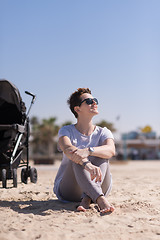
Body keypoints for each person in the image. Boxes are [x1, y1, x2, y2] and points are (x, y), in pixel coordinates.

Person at [53, 88, 115, 214]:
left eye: (95, 100)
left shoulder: (104, 132)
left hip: (101, 184)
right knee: (76, 156)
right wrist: (87, 164)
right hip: (70, 190)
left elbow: (111, 150)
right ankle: (100, 199)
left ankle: (87, 198)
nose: (94, 103)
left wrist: (88, 151)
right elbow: (67, 149)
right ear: (77, 109)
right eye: (89, 101)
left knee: (101, 154)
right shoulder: (66, 131)